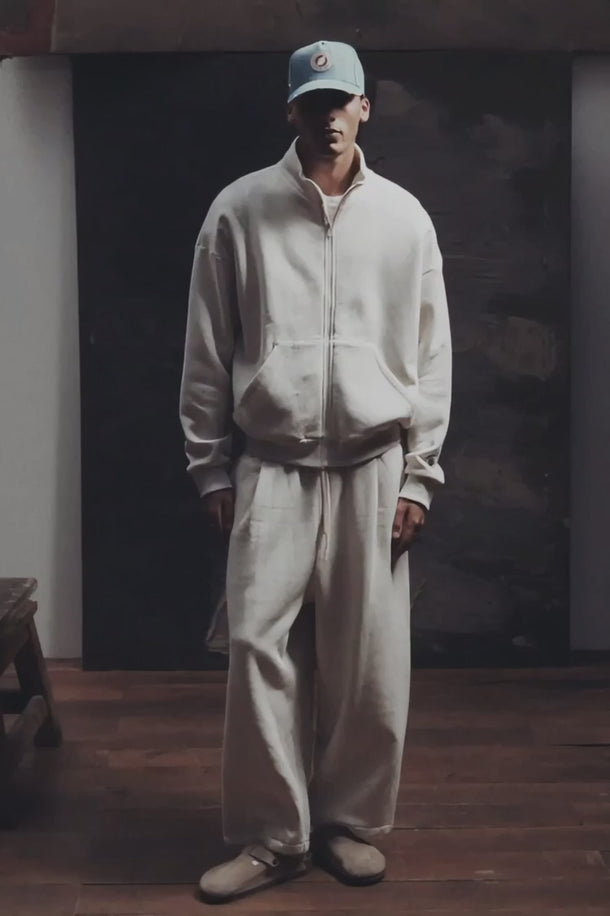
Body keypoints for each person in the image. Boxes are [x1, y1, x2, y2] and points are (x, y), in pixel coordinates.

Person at [179, 39, 452, 904]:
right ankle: (273, 838)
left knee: (367, 661)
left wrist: (420, 475)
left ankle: (346, 823)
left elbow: (432, 355)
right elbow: (207, 349)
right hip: (273, 464)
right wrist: (210, 467)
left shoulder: (404, 219)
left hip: (374, 465)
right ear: (291, 110)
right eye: (313, 103)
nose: (329, 117)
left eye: (342, 102)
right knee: (258, 651)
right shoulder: (239, 211)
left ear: (364, 107)